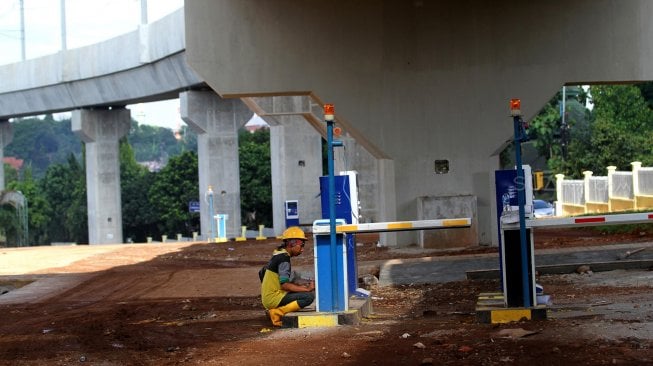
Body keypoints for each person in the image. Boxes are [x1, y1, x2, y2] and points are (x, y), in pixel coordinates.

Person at [259, 226, 315, 326]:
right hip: (274, 298)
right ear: (291, 244)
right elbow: (284, 285)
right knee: (308, 297)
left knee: (297, 288)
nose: (302, 250)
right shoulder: (284, 259)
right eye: (301, 245)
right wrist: (306, 289)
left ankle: (273, 308)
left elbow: (261, 272)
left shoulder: (277, 254)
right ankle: (277, 313)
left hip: (268, 298)